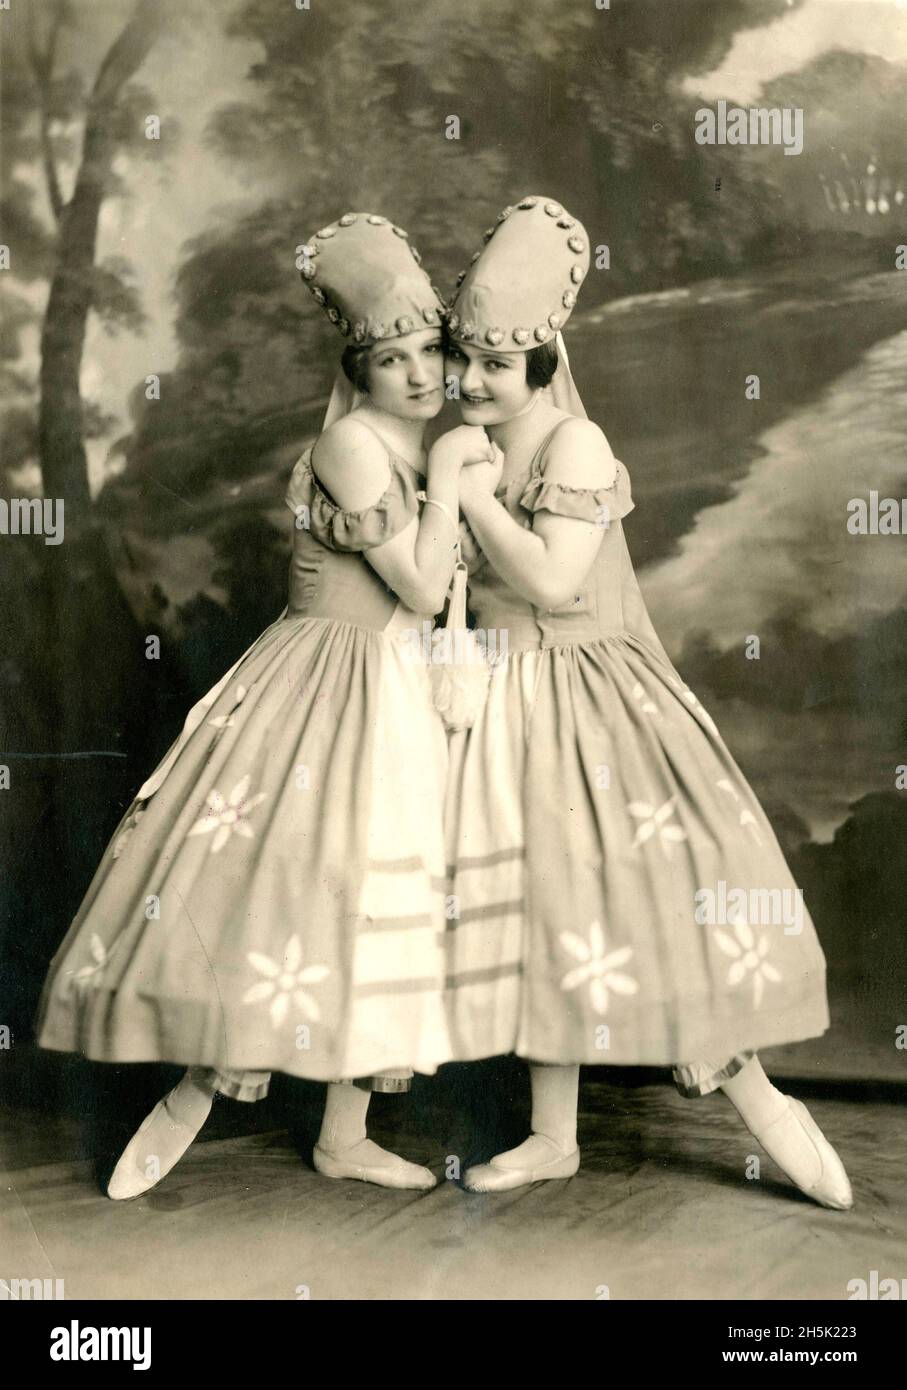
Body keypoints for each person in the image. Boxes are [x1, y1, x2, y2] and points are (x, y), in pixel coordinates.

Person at [35, 212, 494, 1197]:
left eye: (430, 353)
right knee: (278, 894)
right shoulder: (352, 450)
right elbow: (416, 584)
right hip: (327, 689)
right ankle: (194, 1095)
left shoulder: (419, 452)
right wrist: (458, 476)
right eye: (393, 358)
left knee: (384, 906)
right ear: (358, 371)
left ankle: (343, 1129)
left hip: (402, 694)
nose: (420, 374)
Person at [440, 196, 852, 1209]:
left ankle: (758, 1100)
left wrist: (467, 493)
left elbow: (546, 579)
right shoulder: (473, 446)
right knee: (543, 915)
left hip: (591, 701)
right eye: (462, 362)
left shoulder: (573, 445)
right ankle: (551, 1134)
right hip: (503, 701)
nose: (469, 382)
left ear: (544, 358)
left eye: (494, 365)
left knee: (651, 906)